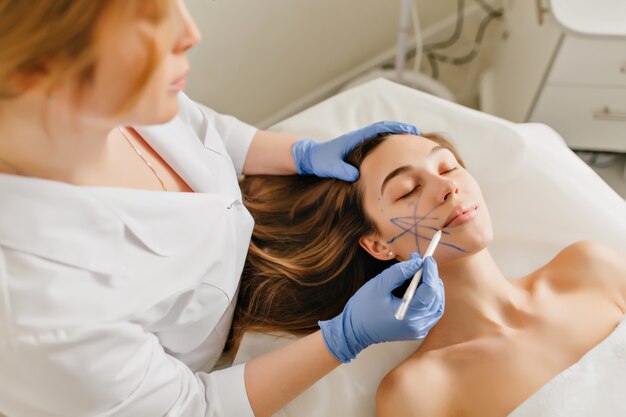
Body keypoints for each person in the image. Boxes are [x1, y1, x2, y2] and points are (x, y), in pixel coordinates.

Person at [0, 2, 446, 417]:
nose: (190, 33)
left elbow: (198, 127)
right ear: (37, 70)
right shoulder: (43, 313)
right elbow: (196, 408)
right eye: (144, 21)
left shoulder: (104, 102)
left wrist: (301, 154)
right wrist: (344, 339)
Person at [234, 133, 626, 416]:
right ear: (378, 245)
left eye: (448, 166)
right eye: (407, 190)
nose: (446, 187)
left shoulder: (589, 267)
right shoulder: (419, 392)